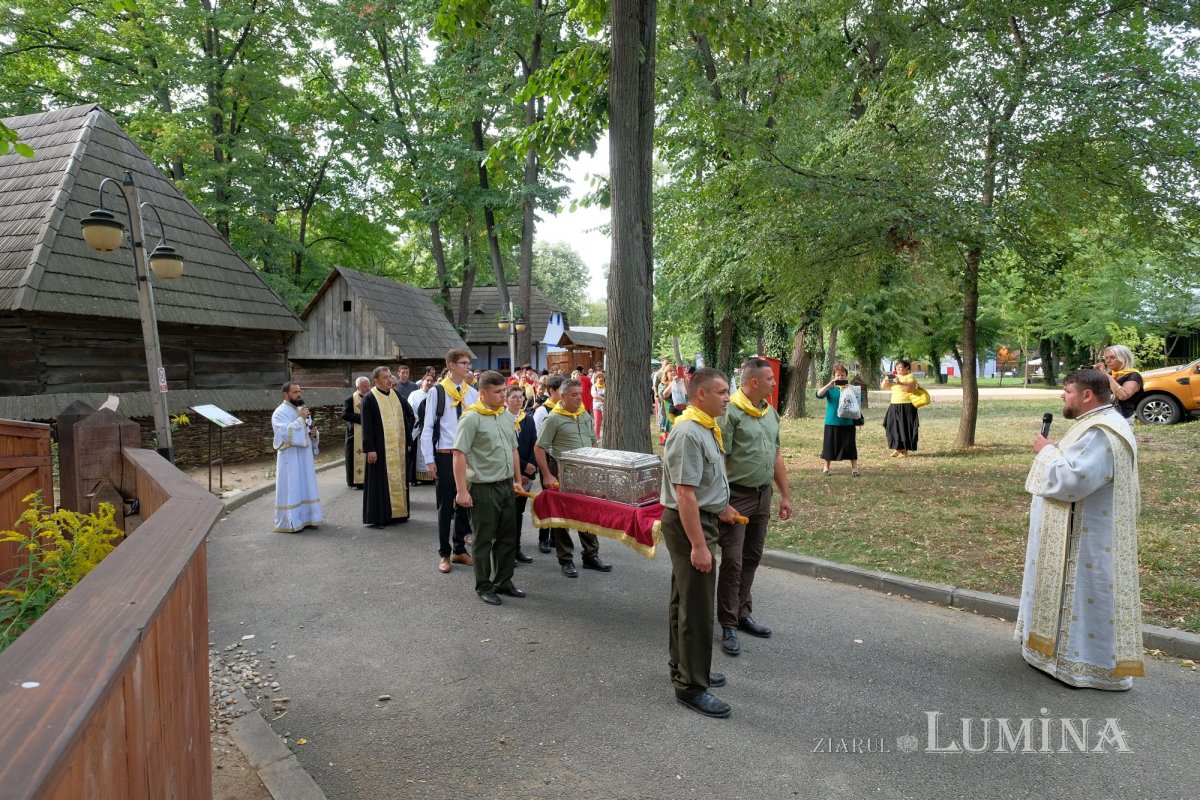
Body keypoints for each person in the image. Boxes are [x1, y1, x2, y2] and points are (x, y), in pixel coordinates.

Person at [1016, 369, 1143, 690]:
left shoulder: (1102, 431)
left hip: (1086, 537)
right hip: (1081, 528)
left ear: (1087, 395)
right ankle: (1052, 655)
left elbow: (1072, 481)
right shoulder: (1095, 424)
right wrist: (1054, 451)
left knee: (1083, 592)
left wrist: (1045, 451)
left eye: (1068, 390)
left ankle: (1083, 667)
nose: (1062, 395)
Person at [660, 368, 740, 718]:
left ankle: (685, 666)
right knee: (697, 606)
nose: (727, 397)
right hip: (689, 525)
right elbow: (685, 494)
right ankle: (692, 686)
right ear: (700, 394)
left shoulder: (705, 426)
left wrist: (722, 506)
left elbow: (706, 482)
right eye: (721, 392)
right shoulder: (688, 432)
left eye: (728, 391)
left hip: (703, 519)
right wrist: (699, 545)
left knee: (685, 598)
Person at [716, 358, 794, 658]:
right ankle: (727, 624)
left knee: (752, 556)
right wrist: (723, 501)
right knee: (733, 560)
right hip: (736, 496)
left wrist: (785, 495)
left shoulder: (770, 413)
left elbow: (776, 456)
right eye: (770, 379)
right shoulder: (731, 412)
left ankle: (742, 613)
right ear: (753, 383)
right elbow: (721, 459)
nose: (775, 383)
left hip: (763, 495)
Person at [452, 371, 526, 606]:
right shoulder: (471, 417)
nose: (503, 395)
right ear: (482, 393)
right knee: (483, 539)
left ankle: (504, 581)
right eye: (498, 392)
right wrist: (462, 491)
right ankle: (484, 585)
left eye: (504, 390)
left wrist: (517, 480)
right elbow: (459, 453)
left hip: (506, 486)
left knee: (507, 538)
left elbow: (513, 449)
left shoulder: (505, 415)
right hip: (483, 488)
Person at [535, 378, 613, 577]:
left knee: (587, 513)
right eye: (574, 395)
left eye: (580, 394)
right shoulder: (553, 418)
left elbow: (593, 443)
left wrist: (596, 468)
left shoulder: (585, 414)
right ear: (562, 396)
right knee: (564, 517)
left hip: (585, 472)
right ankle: (566, 559)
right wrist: (546, 474)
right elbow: (539, 447)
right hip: (562, 471)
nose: (579, 398)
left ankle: (591, 556)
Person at [422, 349, 479, 573]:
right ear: (452, 365)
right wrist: (429, 459)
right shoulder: (437, 392)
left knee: (465, 503)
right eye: (464, 363)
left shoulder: (471, 393)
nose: (468, 367)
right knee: (446, 507)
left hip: (466, 456)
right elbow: (427, 428)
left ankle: (459, 550)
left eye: (469, 363)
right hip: (445, 455)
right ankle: (444, 554)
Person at [361, 366, 414, 527]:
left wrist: (408, 440)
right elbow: (367, 426)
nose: (389, 380)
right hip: (380, 449)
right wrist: (370, 449)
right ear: (375, 381)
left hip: (398, 448)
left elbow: (407, 417)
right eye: (385, 377)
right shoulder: (369, 398)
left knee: (399, 480)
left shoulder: (396, 394)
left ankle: (398, 514)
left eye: (390, 376)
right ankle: (379, 517)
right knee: (379, 482)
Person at [272, 382, 324, 533]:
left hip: (305, 456)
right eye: (295, 392)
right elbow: (285, 433)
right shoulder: (279, 413)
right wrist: (301, 419)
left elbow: (308, 429)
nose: (299, 395)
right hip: (290, 457)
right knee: (292, 486)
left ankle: (309, 518)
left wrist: (314, 434)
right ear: (285, 394)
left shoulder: (301, 409)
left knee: (306, 484)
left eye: (299, 391)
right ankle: (291, 521)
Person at [507, 384, 538, 563]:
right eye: (515, 397)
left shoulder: (528, 419)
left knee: (518, 513)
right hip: (509, 474)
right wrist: (522, 467)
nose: (519, 401)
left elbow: (534, 444)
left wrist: (530, 467)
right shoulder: (502, 418)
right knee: (506, 515)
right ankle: (507, 552)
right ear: (506, 399)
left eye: (521, 397)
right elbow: (506, 448)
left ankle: (517, 548)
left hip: (525, 475)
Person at [815, 364, 861, 477]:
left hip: (848, 421)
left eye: (842, 375)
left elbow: (860, 401)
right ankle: (826, 467)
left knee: (850, 445)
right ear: (834, 376)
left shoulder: (851, 388)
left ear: (846, 376)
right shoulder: (831, 389)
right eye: (838, 375)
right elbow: (818, 395)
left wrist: (851, 389)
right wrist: (829, 385)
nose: (840, 377)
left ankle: (854, 468)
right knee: (829, 445)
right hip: (832, 421)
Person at [881, 358, 921, 456]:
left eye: (901, 367)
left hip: (907, 406)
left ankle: (904, 450)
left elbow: (910, 389)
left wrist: (899, 382)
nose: (898, 369)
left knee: (904, 428)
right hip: (894, 405)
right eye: (897, 367)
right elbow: (883, 387)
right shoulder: (894, 376)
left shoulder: (910, 376)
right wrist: (886, 380)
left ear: (907, 367)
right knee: (892, 427)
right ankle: (897, 448)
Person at [1094, 345, 1143, 421]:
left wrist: (1106, 375)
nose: (1108, 361)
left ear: (1124, 358)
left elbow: (1123, 396)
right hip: (1105, 417)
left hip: (1123, 419)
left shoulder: (1134, 375)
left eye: (1112, 357)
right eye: (1106, 358)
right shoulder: (1111, 374)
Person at [341, 376, 370, 489]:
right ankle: (354, 481)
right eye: (365, 386)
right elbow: (345, 414)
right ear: (358, 387)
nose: (368, 388)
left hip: (368, 433)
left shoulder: (371, 398)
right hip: (354, 433)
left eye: (368, 385)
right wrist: (363, 418)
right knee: (352, 456)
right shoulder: (350, 399)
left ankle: (368, 479)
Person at [591, 370, 606, 438]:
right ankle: (596, 437)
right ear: (596, 378)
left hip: (606, 406)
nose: (600, 378)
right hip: (597, 406)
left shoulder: (606, 386)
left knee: (606, 422)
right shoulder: (594, 386)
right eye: (599, 377)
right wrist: (604, 399)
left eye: (602, 377)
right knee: (597, 422)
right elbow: (594, 395)